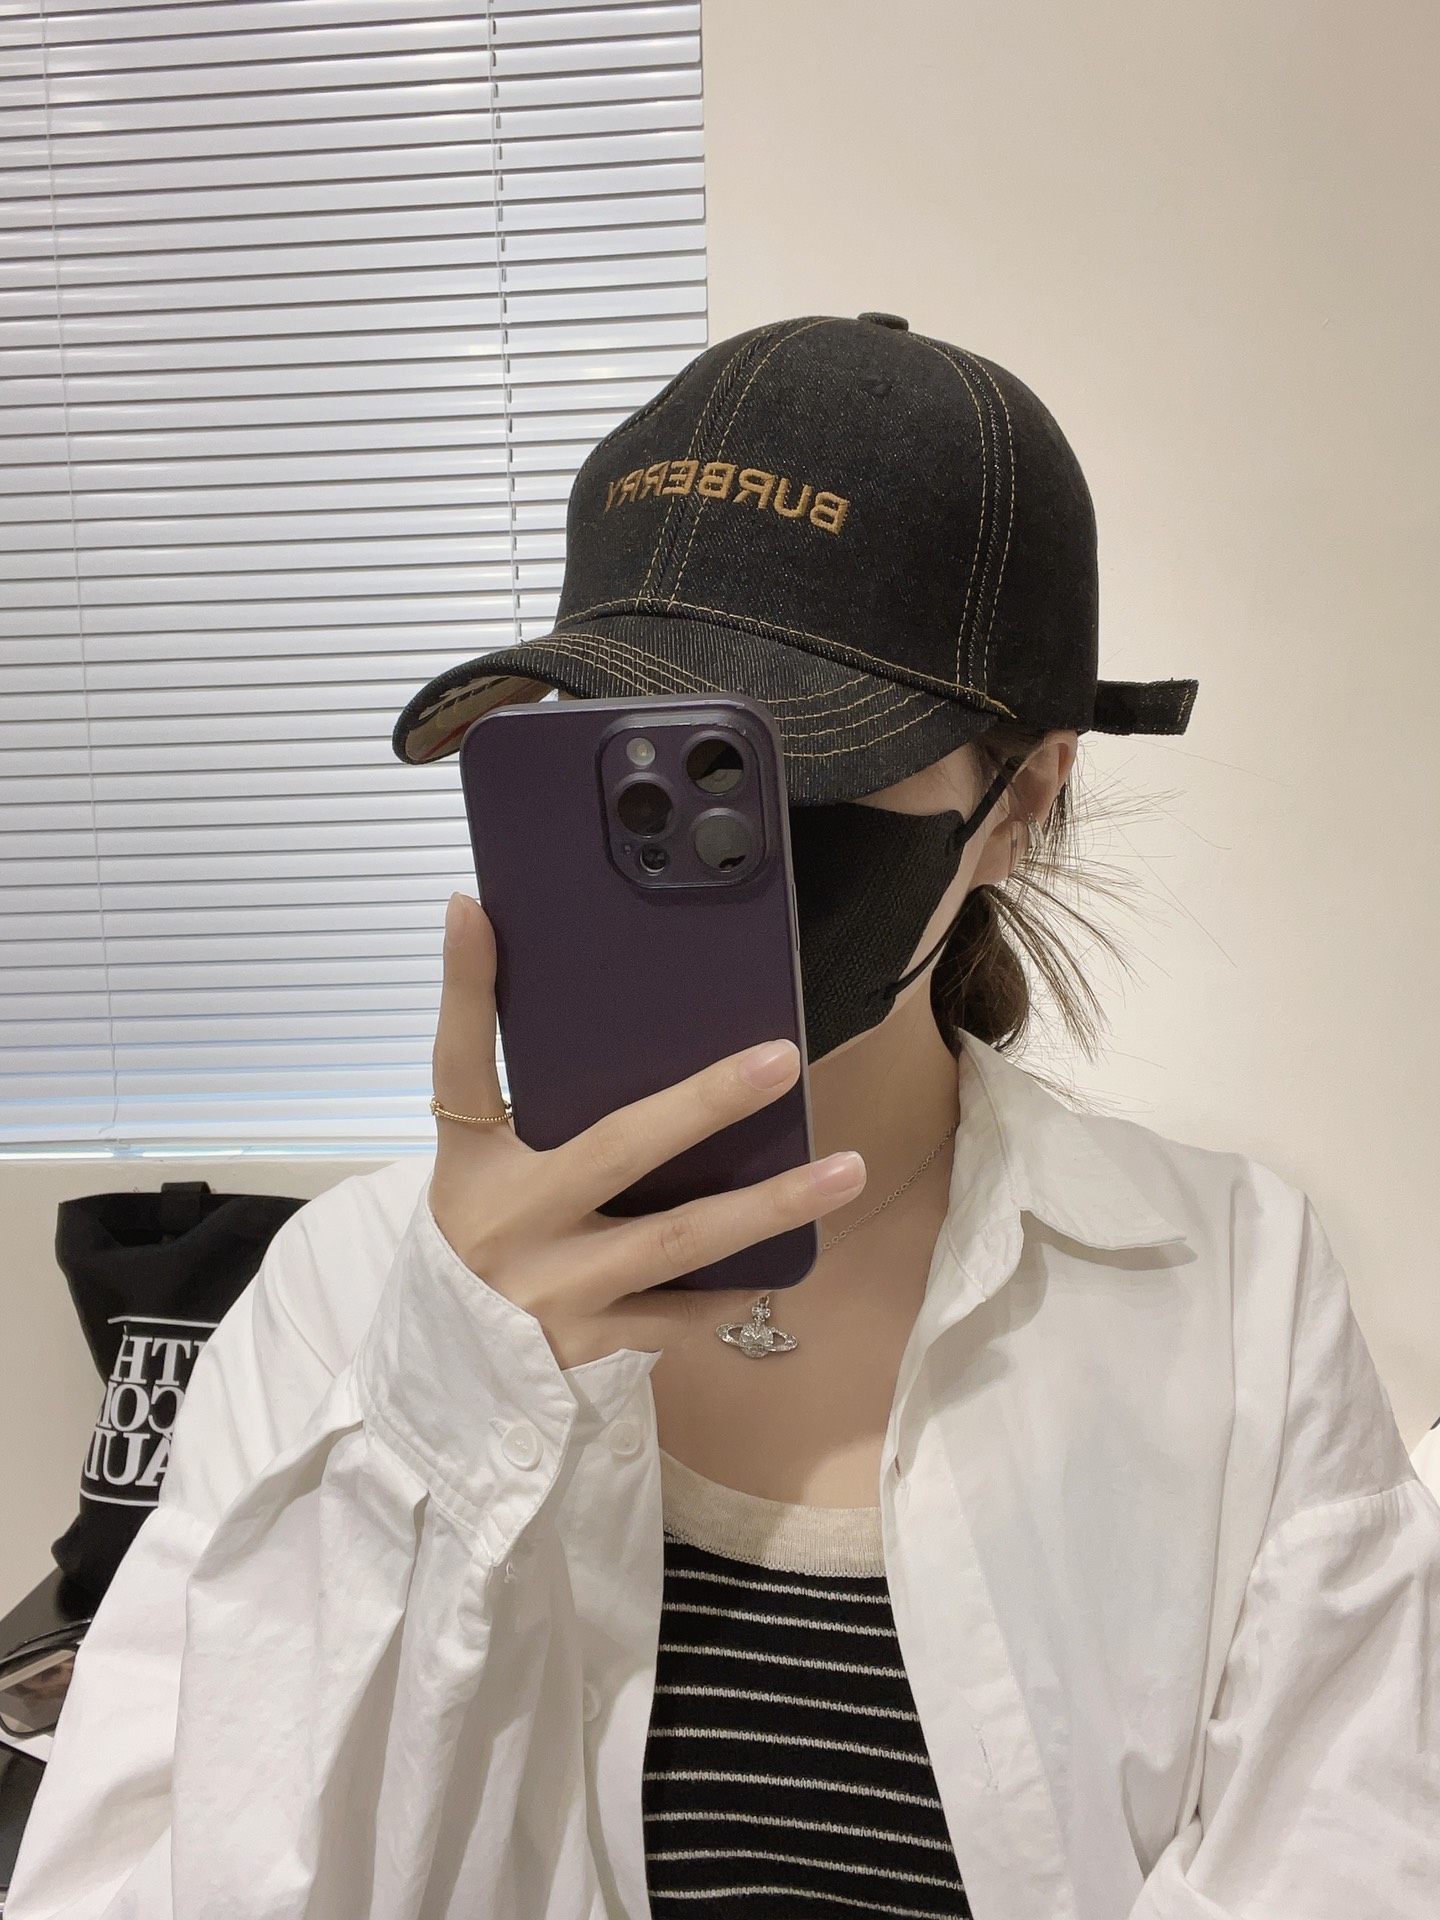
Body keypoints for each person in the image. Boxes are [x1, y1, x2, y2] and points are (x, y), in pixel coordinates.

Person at [10, 314, 1438, 1919]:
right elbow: (132, 1886)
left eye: (784, 760)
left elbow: (1343, 1859)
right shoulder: (352, 1292)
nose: (718, 843)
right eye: (617, 741)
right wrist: (442, 1414)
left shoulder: (1233, 1290)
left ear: (1021, 799)